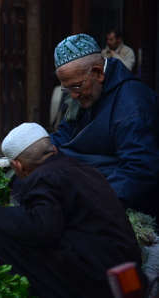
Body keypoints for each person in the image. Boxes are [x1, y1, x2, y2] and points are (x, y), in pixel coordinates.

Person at [0, 123, 143, 298]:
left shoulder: (44, 178)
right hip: (128, 266)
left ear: (18, 165)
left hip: (100, 278)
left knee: (4, 240)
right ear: (54, 150)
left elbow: (41, 229)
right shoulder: (82, 169)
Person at [51, 33, 159, 219]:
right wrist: (39, 149)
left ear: (98, 73)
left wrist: (88, 204)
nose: (73, 95)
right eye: (67, 88)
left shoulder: (133, 105)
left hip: (122, 202)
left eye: (76, 87)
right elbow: (65, 134)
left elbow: (138, 171)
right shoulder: (83, 91)